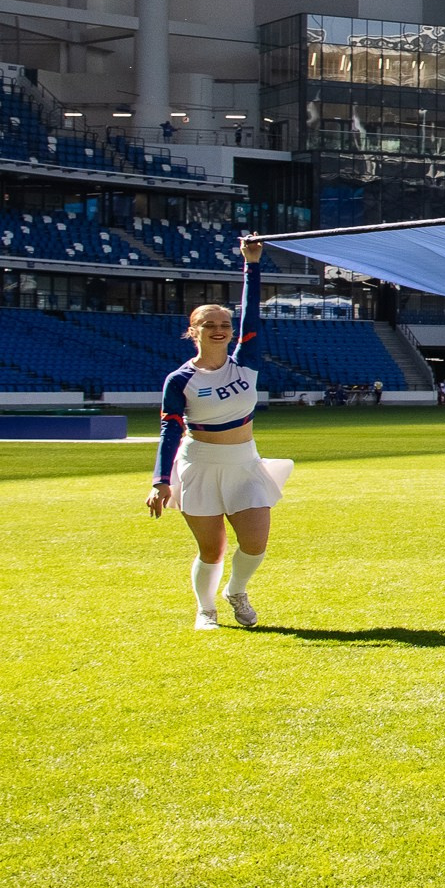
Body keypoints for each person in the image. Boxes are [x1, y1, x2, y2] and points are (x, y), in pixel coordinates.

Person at [145, 237, 281, 629]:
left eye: (225, 324)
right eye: (210, 325)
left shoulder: (246, 363)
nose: (220, 330)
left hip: (244, 463)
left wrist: (251, 264)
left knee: (255, 543)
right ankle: (206, 610)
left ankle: (236, 590)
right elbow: (169, 429)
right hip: (199, 465)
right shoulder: (180, 379)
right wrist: (160, 481)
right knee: (212, 549)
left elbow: (251, 315)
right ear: (195, 330)